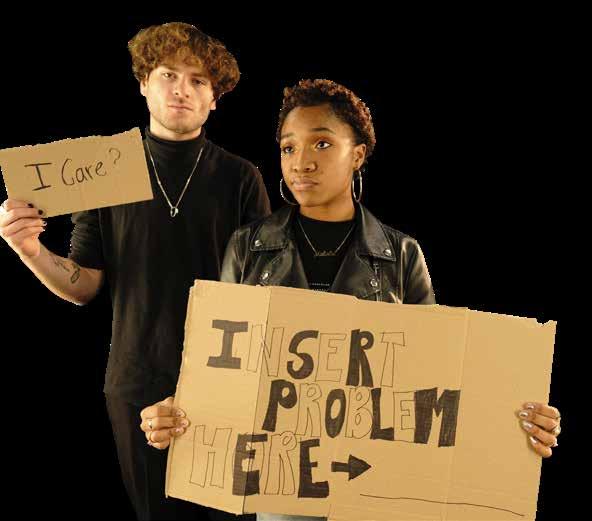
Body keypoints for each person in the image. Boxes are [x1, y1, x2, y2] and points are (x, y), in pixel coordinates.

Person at [139, 79, 561, 521]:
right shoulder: (248, 248)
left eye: (322, 143)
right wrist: (177, 410)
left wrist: (512, 423)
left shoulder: (401, 255)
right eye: (288, 148)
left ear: (357, 155)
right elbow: (222, 367)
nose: (301, 162)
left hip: (374, 491)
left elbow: (435, 380)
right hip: (282, 486)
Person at [0, 22, 270, 521]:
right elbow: (85, 285)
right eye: (168, 74)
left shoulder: (241, 178)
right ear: (144, 82)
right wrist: (30, 250)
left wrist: (220, 384)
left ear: (215, 99)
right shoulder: (102, 170)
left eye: (198, 80)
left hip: (225, 382)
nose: (181, 89)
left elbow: (261, 294)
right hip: (135, 381)